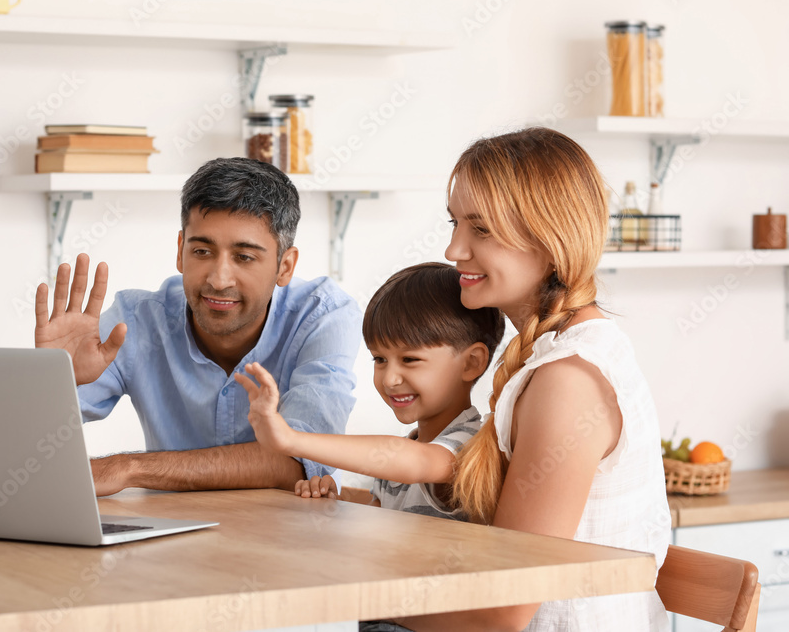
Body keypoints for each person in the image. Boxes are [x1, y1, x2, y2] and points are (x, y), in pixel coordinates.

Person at [377, 128, 671, 632]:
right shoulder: (562, 353)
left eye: (481, 229)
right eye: (455, 224)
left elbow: (502, 612)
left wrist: (353, 600)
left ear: (548, 238)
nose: (453, 249)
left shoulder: (567, 381)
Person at [34, 157, 363, 496]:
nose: (219, 280)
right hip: (170, 536)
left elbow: (299, 459)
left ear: (285, 266)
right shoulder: (136, 321)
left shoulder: (324, 317)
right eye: (202, 251)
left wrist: (129, 468)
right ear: (180, 251)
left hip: (291, 538)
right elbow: (24, 450)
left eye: (244, 257)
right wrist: (50, 384)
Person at [236, 262, 505, 521]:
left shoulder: (471, 444)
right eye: (380, 359)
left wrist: (290, 440)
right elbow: (379, 526)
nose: (389, 379)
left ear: (471, 363)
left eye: (409, 360)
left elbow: (414, 463)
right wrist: (334, 506)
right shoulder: (396, 460)